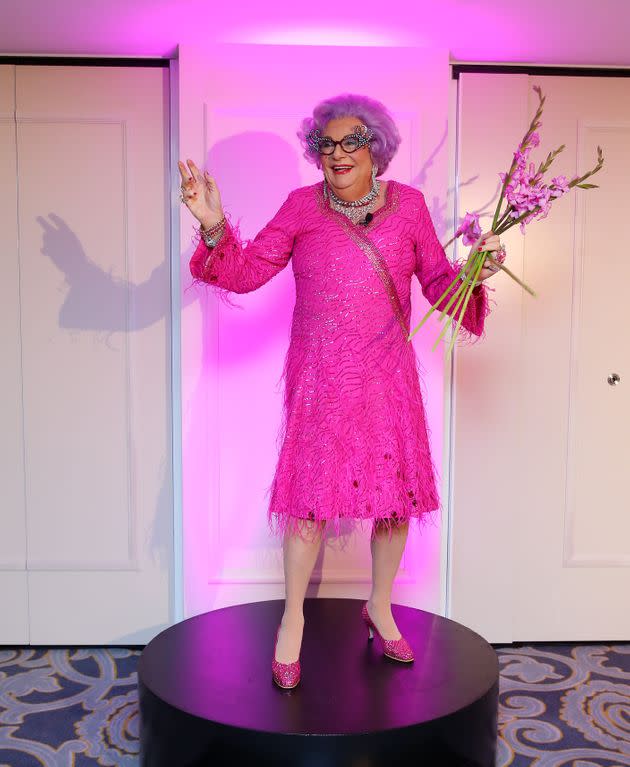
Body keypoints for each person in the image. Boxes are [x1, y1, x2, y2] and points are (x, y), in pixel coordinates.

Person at [179, 93, 505, 690]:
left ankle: (379, 606)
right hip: (320, 380)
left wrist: (473, 273)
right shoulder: (302, 207)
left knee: (395, 498)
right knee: (308, 503)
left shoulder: (407, 207)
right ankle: (293, 619)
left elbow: (437, 280)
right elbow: (247, 272)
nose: (336, 153)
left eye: (351, 141)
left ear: (376, 148)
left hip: (387, 376)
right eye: (326, 144)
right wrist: (211, 221)